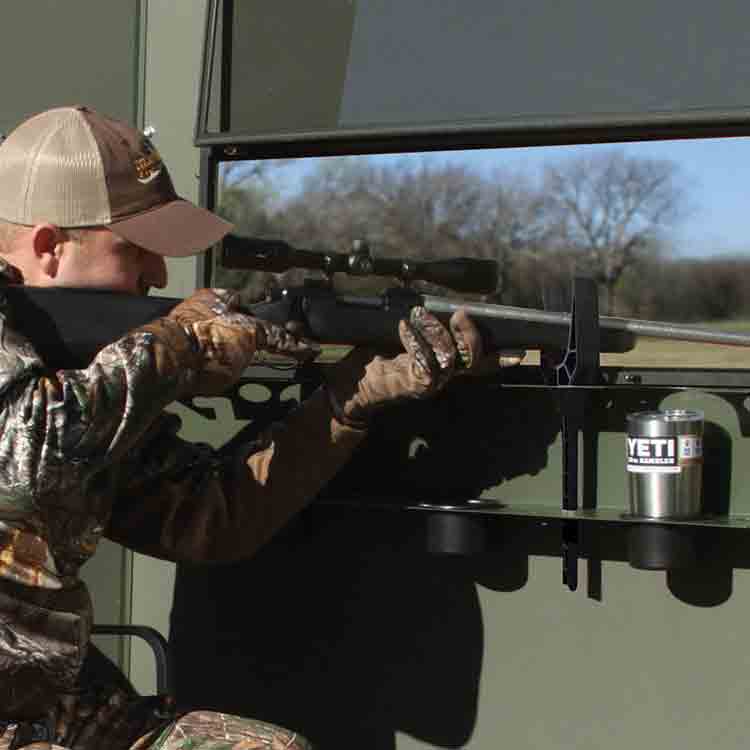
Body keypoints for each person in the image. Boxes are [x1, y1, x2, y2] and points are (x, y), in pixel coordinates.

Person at [0, 106, 522, 750]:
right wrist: (180, 348)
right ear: (50, 247)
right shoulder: (61, 381)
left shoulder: (76, 374)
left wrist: (348, 399)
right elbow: (23, 460)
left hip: (44, 705)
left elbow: (206, 517)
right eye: (135, 250)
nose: (159, 276)